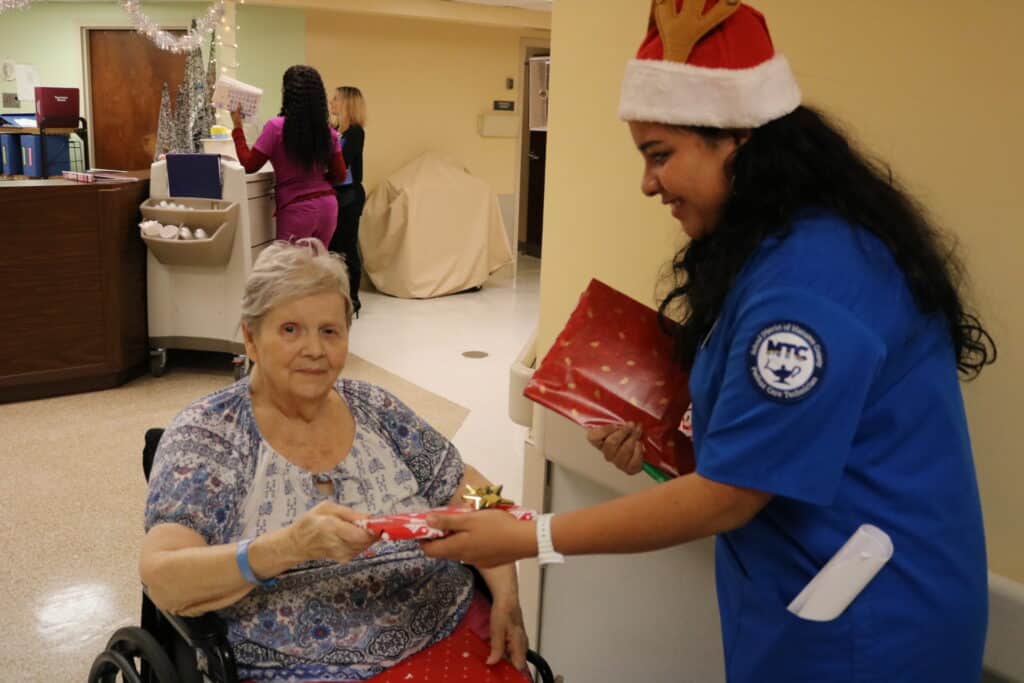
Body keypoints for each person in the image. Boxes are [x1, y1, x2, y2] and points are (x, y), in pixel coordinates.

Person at [422, 2, 997, 681]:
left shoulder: (808, 285)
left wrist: (530, 534)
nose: (646, 182)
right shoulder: (782, 246)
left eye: (659, 155)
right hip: (820, 595)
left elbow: (733, 492)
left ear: (739, 139)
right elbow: (786, 436)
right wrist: (665, 442)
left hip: (872, 631)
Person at [140, 239, 529, 682]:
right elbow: (161, 576)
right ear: (251, 337)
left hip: (445, 626)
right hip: (305, 667)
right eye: (290, 329)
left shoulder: (377, 409)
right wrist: (288, 548)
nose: (314, 350)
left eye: (329, 331)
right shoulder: (210, 434)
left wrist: (506, 590)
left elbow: (476, 492)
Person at [232, 65, 346, 244]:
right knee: (317, 267)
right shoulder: (328, 132)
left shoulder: (275, 128)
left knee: (289, 269)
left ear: (287, 93)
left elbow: (249, 165)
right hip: (328, 207)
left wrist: (237, 128)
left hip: (296, 211)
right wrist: (316, 180)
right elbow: (340, 175)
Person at [328, 86, 368, 317]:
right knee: (332, 248)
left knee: (347, 247)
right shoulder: (334, 131)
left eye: (335, 100)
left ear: (347, 104)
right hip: (334, 195)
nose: (331, 103)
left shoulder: (354, 133)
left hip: (349, 196)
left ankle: (353, 298)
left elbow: (340, 164)